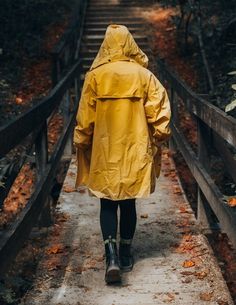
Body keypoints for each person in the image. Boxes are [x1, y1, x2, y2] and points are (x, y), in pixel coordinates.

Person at [73, 24, 171, 284]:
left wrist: (81, 142)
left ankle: (111, 256)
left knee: (107, 202)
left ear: (106, 46)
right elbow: (160, 111)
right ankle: (126, 253)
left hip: (105, 151)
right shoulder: (143, 76)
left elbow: (85, 119)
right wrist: (160, 137)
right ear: (130, 44)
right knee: (129, 202)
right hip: (134, 149)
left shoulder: (95, 76)